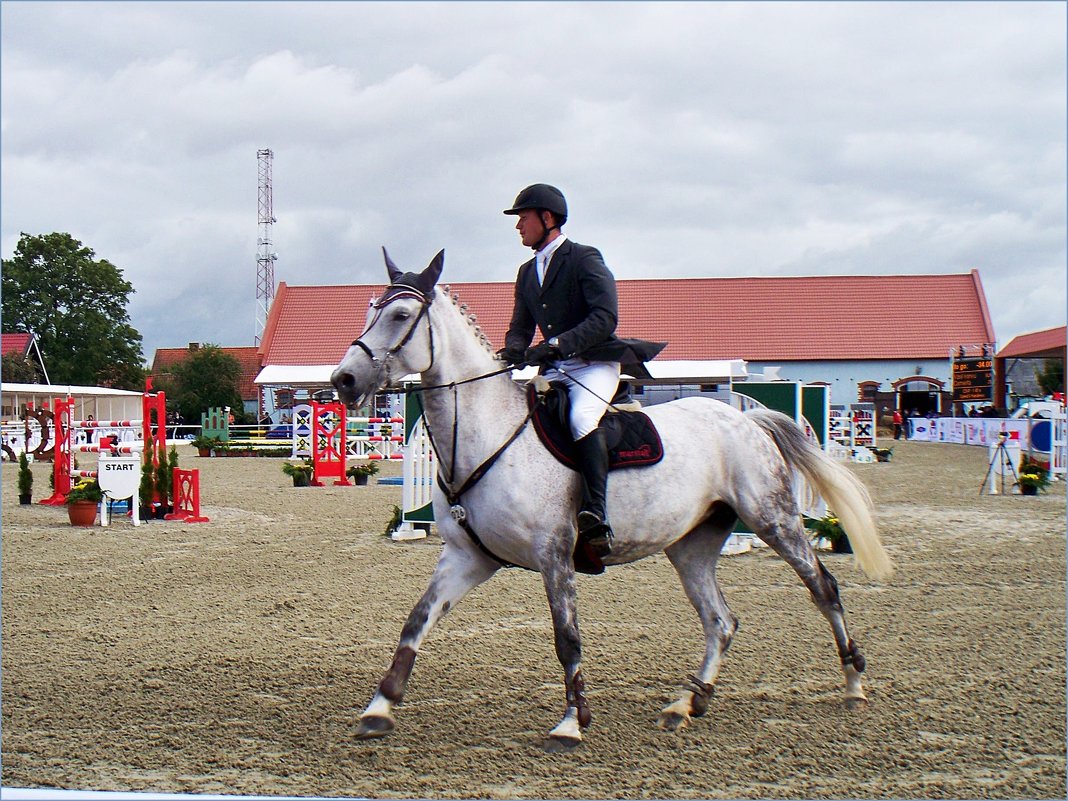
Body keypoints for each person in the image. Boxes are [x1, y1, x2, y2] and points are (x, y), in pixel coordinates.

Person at [499, 183, 664, 560]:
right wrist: (511, 351)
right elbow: (521, 326)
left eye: (523, 218)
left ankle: (596, 512)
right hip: (557, 367)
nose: (518, 226)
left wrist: (558, 345)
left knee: (581, 418)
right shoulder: (527, 272)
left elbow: (605, 318)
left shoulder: (584, 258)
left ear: (547, 218)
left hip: (593, 363)